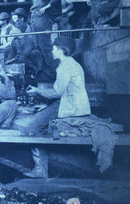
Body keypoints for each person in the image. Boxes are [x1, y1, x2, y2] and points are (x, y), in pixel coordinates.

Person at [24, 36, 91, 178]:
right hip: (75, 104)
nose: (52, 50)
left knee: (31, 128)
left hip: (70, 106)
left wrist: (37, 90)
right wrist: (45, 106)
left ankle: (40, 169)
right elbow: (64, 92)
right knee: (42, 114)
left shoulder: (65, 66)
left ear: (61, 50)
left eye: (54, 48)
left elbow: (57, 92)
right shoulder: (73, 64)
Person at [27, 0, 67, 83]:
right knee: (36, 47)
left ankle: (58, 74)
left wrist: (49, 5)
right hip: (35, 16)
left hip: (43, 16)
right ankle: (47, 73)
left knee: (45, 46)